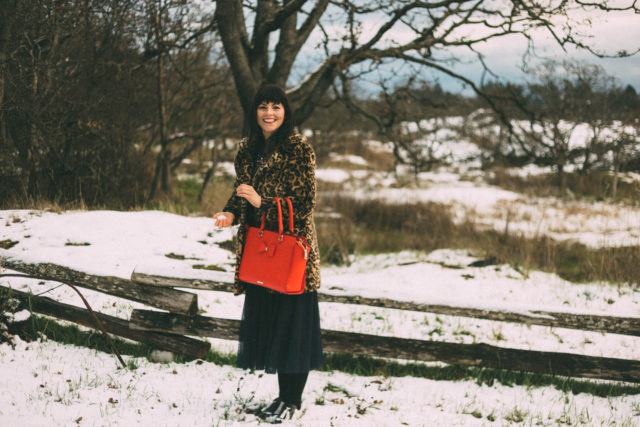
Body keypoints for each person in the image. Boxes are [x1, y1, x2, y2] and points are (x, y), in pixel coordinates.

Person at [213, 84, 323, 424]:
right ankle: (280, 398)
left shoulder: (298, 148)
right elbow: (242, 191)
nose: (269, 113)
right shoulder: (247, 148)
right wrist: (231, 212)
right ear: (254, 112)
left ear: (285, 111)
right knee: (275, 326)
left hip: (291, 251)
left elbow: (305, 204)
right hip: (260, 249)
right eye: (263, 106)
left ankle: (291, 401)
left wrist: (265, 204)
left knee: (294, 328)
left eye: (276, 106)